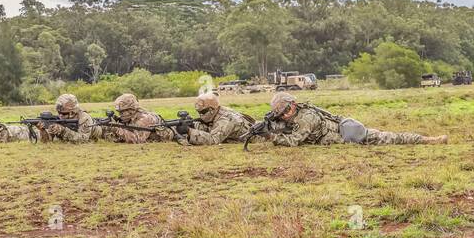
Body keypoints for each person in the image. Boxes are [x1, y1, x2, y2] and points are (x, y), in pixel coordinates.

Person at [266, 92, 447, 147]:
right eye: (281, 113)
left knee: (390, 138)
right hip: (340, 134)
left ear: (294, 105)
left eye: (287, 110)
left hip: (347, 136)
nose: (285, 115)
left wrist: (271, 136)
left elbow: (293, 141)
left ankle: (428, 140)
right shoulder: (294, 115)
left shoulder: (307, 117)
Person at [181, 92, 255, 146]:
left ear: (212, 109)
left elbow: (213, 140)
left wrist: (189, 131)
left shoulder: (226, 119)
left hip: (256, 140)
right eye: (199, 112)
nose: (201, 115)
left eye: (203, 112)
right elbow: (210, 127)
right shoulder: (217, 111)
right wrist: (191, 125)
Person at [98, 93, 172, 144]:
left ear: (132, 109)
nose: (120, 114)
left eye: (122, 112)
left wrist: (116, 129)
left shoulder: (144, 118)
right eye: (119, 112)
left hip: (167, 136)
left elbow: (137, 139)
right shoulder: (130, 117)